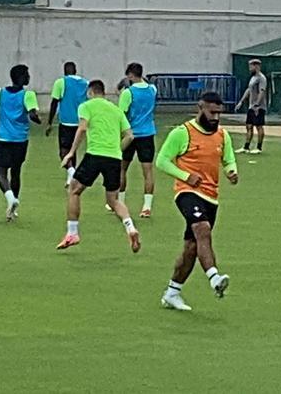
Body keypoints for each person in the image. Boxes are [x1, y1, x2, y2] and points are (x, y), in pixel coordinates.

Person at [158, 92, 239, 311]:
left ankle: (172, 292)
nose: (215, 117)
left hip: (211, 196)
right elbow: (162, 161)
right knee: (202, 229)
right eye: (212, 112)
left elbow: (228, 158)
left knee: (192, 247)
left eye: (219, 113)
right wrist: (186, 176)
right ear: (200, 108)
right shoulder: (182, 133)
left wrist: (232, 171)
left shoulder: (222, 135)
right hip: (187, 192)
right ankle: (214, 278)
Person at [56, 80, 140, 253]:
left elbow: (82, 128)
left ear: (90, 92)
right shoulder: (116, 110)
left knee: (74, 190)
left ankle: (72, 233)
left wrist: (71, 153)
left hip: (95, 155)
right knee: (113, 200)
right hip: (114, 158)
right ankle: (130, 228)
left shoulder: (86, 106)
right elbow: (130, 136)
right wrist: (117, 149)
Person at [0, 64, 42, 222]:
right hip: (20, 139)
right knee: (16, 171)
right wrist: (38, 120)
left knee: (1, 173)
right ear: (21, 77)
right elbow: (32, 114)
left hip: (3, 138)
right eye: (27, 74)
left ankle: (10, 198)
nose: (29, 77)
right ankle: (13, 208)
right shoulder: (28, 95)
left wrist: (4, 118)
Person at [118, 62, 158, 218]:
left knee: (122, 168)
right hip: (148, 133)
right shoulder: (152, 89)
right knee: (147, 171)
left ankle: (120, 202)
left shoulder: (128, 93)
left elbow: (121, 115)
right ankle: (147, 206)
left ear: (130, 75)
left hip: (131, 134)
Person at [47, 61, 89, 186]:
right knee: (73, 150)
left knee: (63, 151)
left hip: (66, 122)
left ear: (65, 71)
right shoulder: (85, 83)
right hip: (80, 122)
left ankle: (71, 171)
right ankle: (71, 178)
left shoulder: (61, 82)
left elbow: (54, 102)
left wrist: (49, 122)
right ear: (75, 70)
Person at [235, 59, 269, 154]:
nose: (250, 69)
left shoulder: (262, 78)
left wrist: (257, 104)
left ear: (256, 66)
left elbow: (262, 91)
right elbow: (249, 90)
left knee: (259, 126)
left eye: (251, 66)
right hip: (251, 106)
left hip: (259, 107)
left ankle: (259, 147)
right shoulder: (253, 78)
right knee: (249, 126)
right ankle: (246, 147)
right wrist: (241, 102)